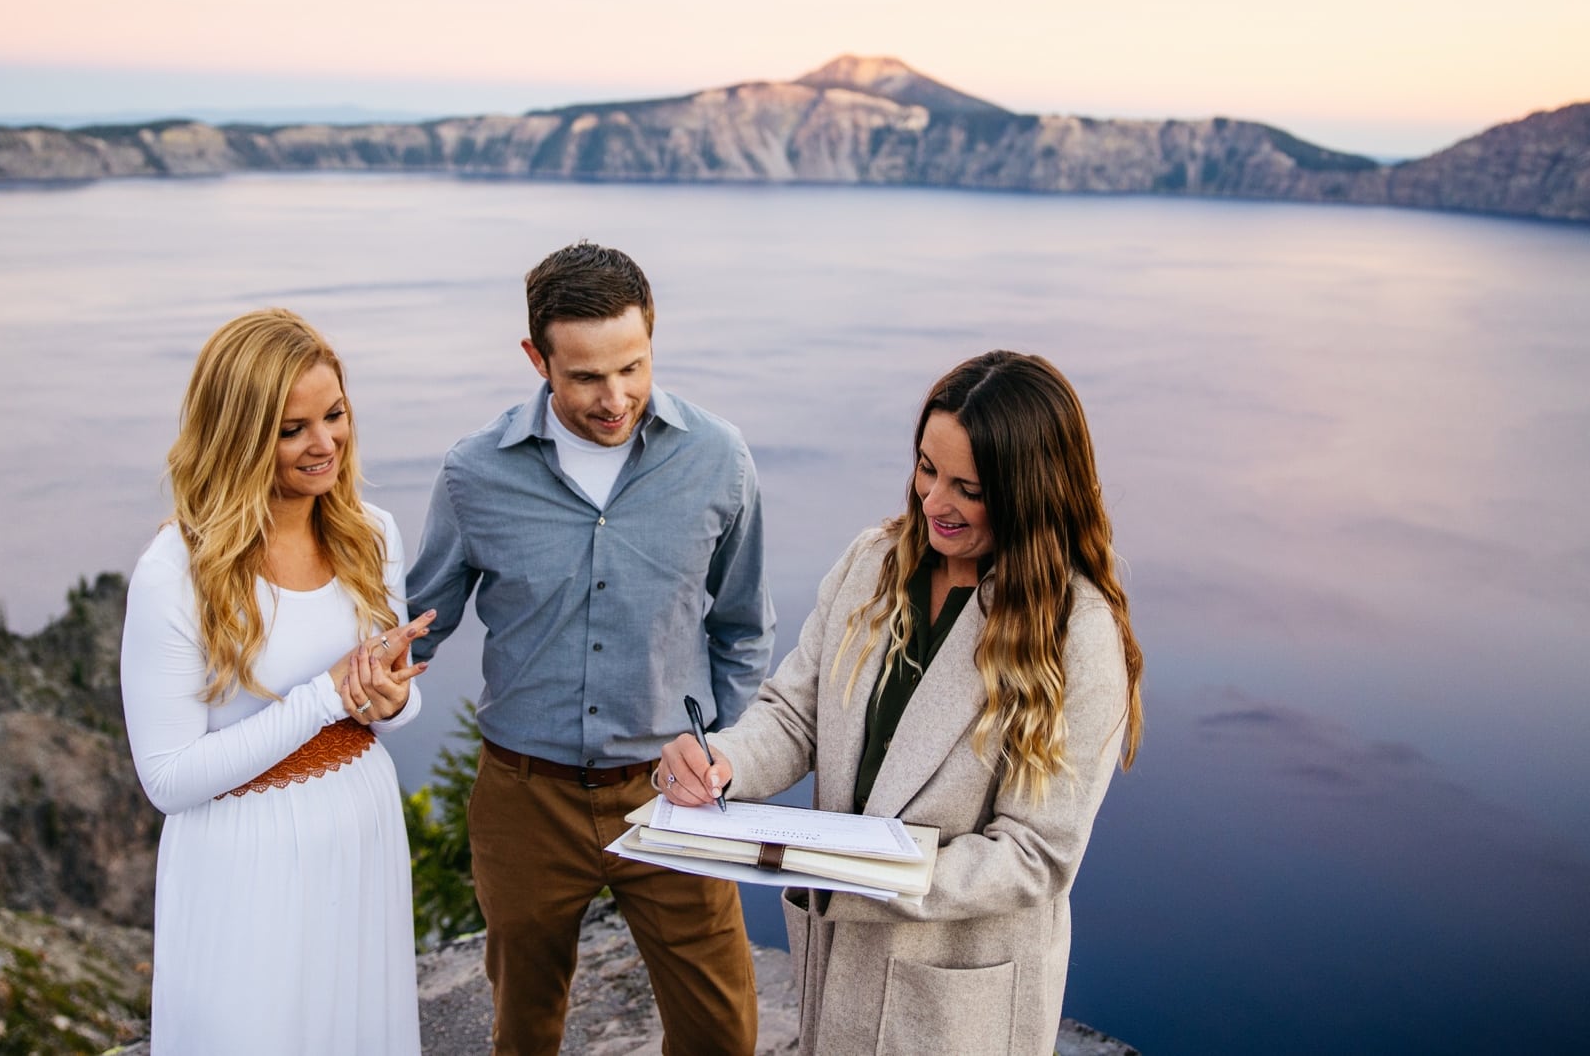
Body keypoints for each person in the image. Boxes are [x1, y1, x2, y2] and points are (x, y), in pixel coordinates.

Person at [659, 350, 1145, 1056]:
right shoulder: (874, 562)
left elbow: (1036, 855)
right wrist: (720, 763)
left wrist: (865, 871)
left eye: (967, 489)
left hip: (958, 996)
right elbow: (797, 714)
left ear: (1031, 491)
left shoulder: (1077, 632)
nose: (933, 502)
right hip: (843, 963)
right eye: (927, 468)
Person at [407, 241, 775, 1056]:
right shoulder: (475, 473)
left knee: (723, 1035)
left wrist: (728, 755)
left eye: (633, 368)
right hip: (523, 799)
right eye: (585, 377)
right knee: (525, 1032)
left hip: (672, 795)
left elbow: (744, 628)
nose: (616, 399)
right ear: (537, 358)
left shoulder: (719, 458)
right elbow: (416, 621)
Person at [120, 308, 436, 1056]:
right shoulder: (175, 575)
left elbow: (386, 697)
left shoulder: (371, 532)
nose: (324, 443)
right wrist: (325, 696)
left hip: (360, 828)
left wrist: (392, 699)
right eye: (292, 429)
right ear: (237, 433)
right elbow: (167, 779)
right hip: (243, 857)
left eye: (334, 415)